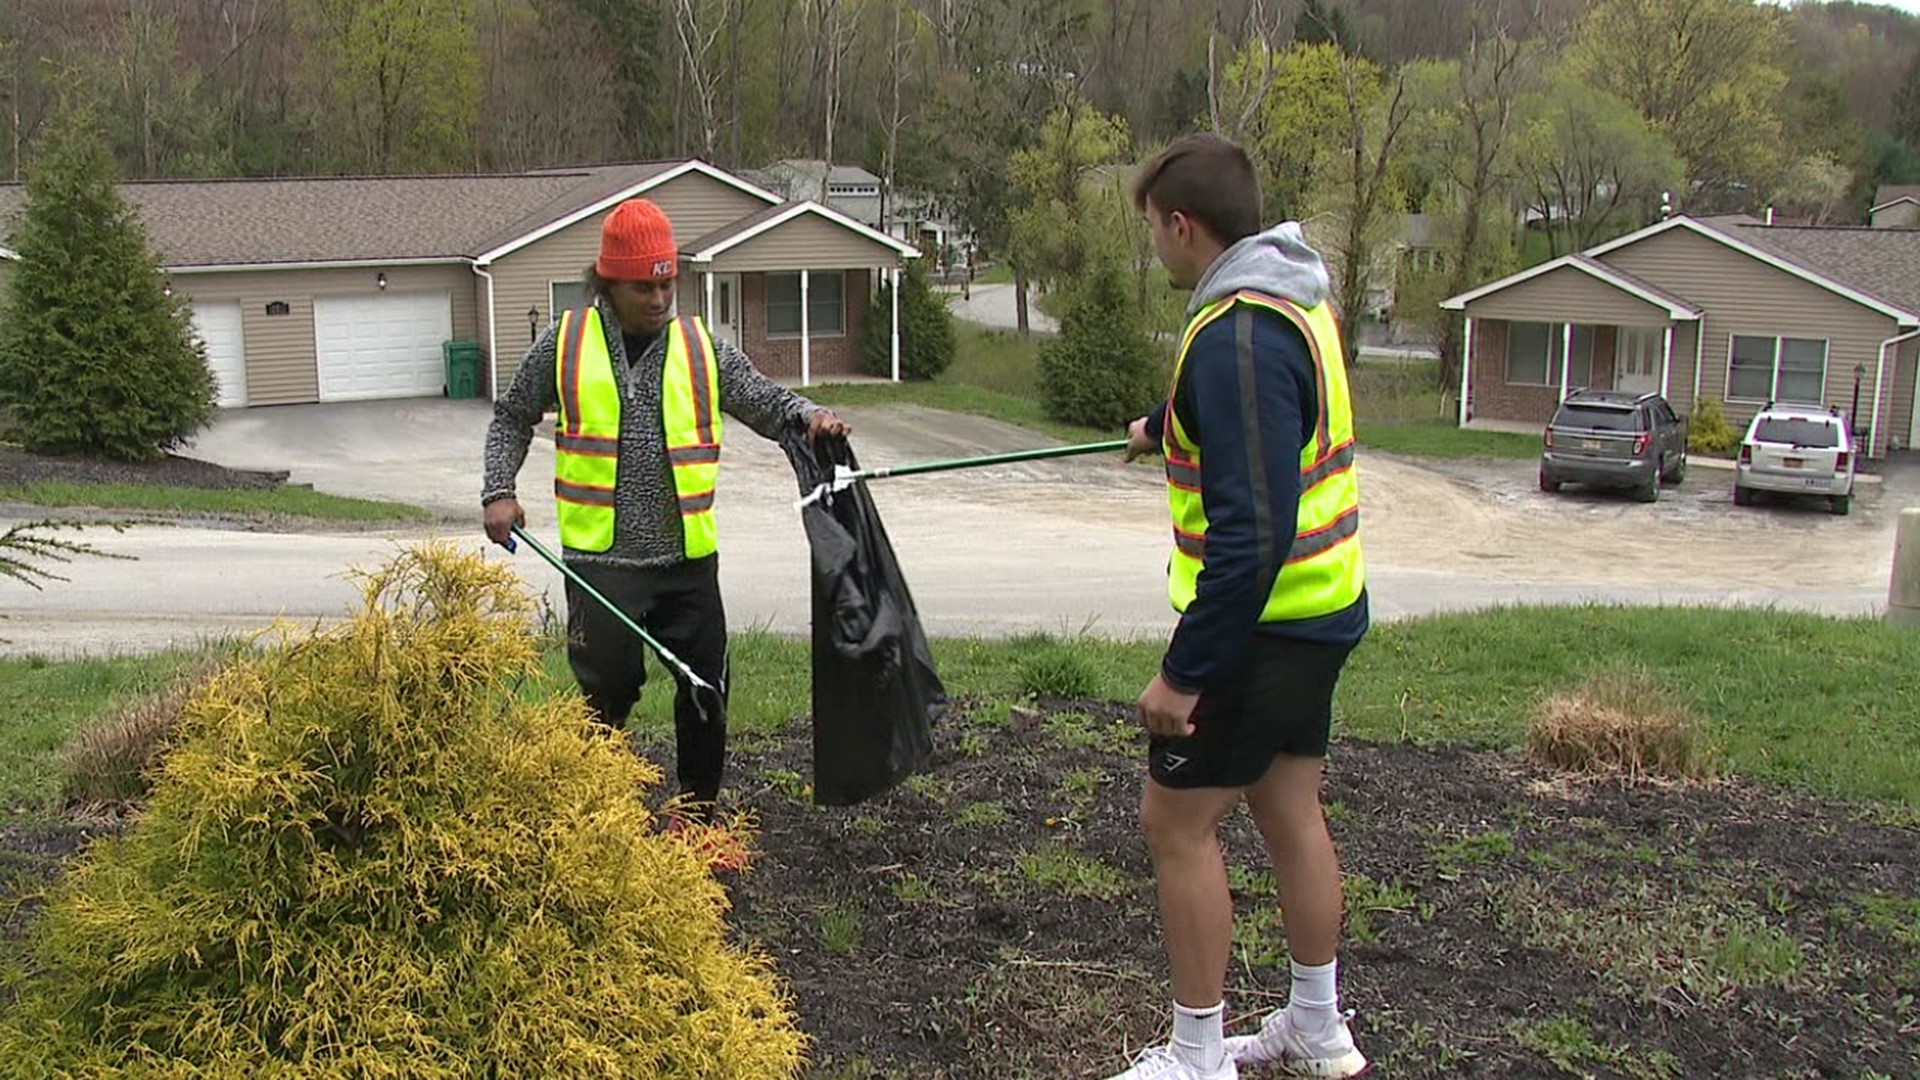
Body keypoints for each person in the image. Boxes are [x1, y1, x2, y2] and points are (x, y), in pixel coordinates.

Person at [1107, 133, 1371, 1080]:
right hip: (1322, 609)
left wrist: (1185, 673)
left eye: (1155, 232)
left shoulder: (1236, 335)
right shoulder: (1296, 300)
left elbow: (1251, 533)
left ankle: (1198, 1056)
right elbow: (1267, 424)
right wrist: (1162, 424)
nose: (1156, 249)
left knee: (1174, 823)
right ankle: (1314, 1025)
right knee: (1288, 802)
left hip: (1261, 629)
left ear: (1184, 226)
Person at [482, 197, 848, 824]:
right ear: (607, 285)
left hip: (687, 564)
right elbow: (512, 414)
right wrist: (498, 490)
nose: (658, 299)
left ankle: (698, 818)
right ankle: (600, 814)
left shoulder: (702, 347)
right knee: (608, 693)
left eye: (667, 283)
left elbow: (762, 398)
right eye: (642, 287)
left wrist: (808, 417)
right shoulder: (565, 344)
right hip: (599, 564)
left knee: (707, 690)